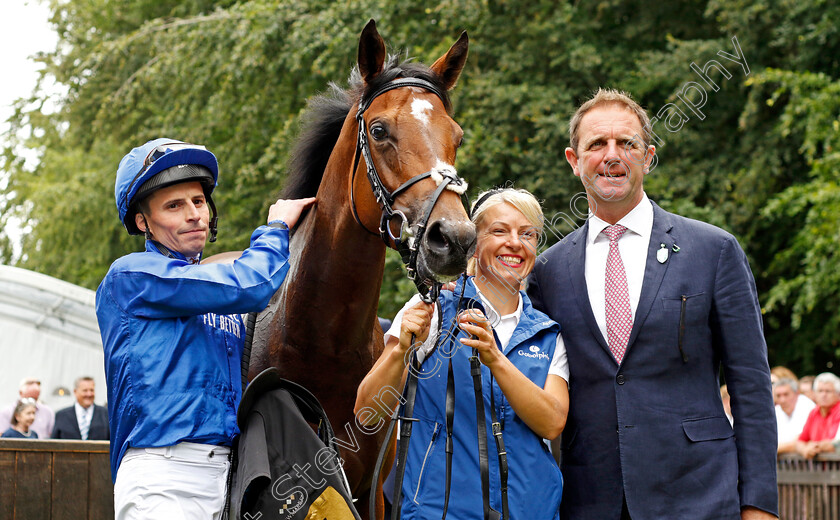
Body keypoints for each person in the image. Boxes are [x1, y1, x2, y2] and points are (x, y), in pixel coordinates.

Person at [527, 89, 778, 520]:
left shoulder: (713, 250)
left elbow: (751, 387)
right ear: (573, 160)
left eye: (627, 143)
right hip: (589, 501)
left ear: (648, 157)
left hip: (701, 496)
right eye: (596, 144)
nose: (612, 155)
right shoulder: (547, 270)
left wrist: (759, 505)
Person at [96, 138, 315, 520]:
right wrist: (276, 227)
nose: (194, 214)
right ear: (142, 222)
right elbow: (252, 284)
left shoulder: (209, 291)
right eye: (174, 206)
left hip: (228, 474)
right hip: (162, 476)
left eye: (198, 202)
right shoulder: (131, 276)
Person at [356, 188, 569, 520]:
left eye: (527, 234)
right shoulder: (431, 310)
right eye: (500, 230)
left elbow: (552, 422)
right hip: (438, 512)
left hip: (533, 511)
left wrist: (496, 359)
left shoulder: (546, 333)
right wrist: (401, 350)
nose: (515, 242)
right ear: (475, 243)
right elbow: (368, 414)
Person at [796, 372, 840, 459]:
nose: (824, 395)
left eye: (828, 391)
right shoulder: (814, 412)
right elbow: (800, 441)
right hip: (819, 470)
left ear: (838, 394)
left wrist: (815, 446)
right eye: (820, 391)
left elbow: (835, 443)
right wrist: (805, 450)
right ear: (815, 394)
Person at [774, 377, 815, 454]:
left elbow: (799, 441)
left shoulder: (807, 406)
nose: (782, 400)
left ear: (797, 393)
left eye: (786, 394)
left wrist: (773, 449)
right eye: (778, 396)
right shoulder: (777, 410)